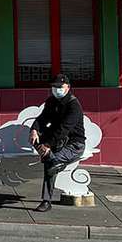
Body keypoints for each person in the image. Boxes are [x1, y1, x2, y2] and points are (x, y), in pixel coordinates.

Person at [30, 72, 86, 212]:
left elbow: (64, 129)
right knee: (41, 145)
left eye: (60, 86)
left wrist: (47, 145)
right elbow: (42, 119)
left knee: (50, 163)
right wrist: (34, 130)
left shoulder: (74, 105)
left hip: (73, 145)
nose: (57, 89)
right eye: (54, 86)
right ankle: (51, 159)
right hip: (55, 143)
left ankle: (46, 201)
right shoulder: (51, 102)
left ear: (68, 87)